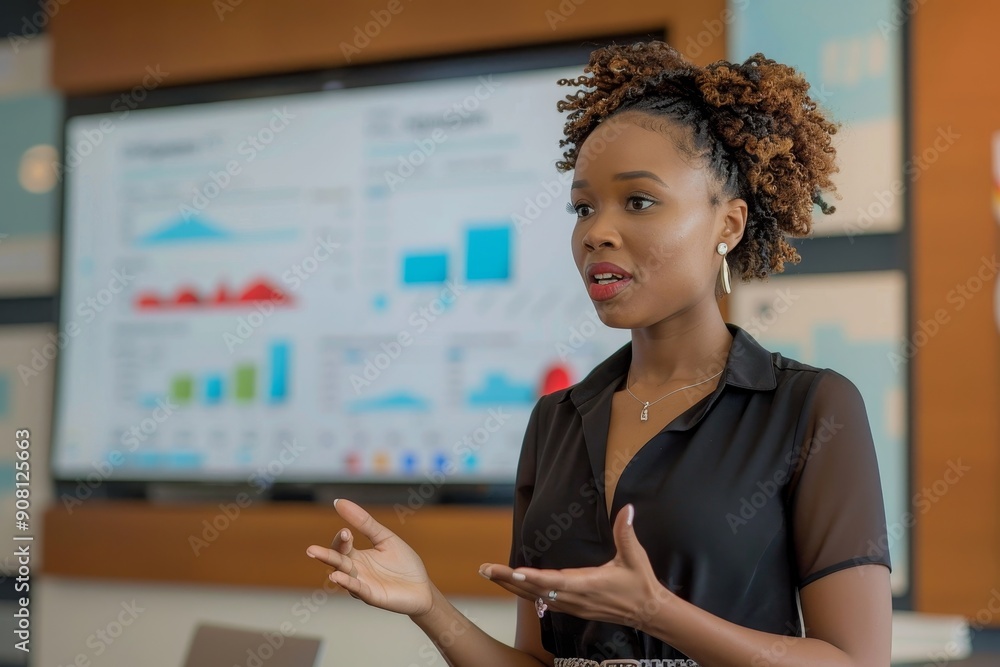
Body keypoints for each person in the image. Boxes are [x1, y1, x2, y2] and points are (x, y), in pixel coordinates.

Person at [306, 40, 893, 666]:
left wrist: (657, 611)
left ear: (729, 224)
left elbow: (855, 663)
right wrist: (428, 605)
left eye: (638, 202)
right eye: (583, 207)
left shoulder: (810, 408)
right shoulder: (556, 421)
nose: (595, 232)